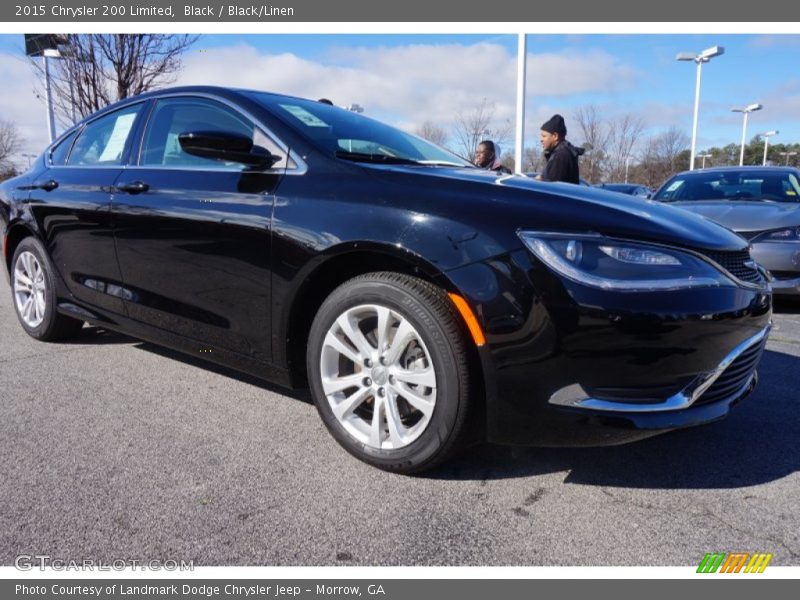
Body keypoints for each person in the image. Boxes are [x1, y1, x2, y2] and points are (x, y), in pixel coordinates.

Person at [537, 114, 582, 184]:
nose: (541, 140)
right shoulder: (561, 153)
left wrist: (540, 181)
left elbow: (552, 188)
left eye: (544, 136)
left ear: (555, 136)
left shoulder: (561, 155)